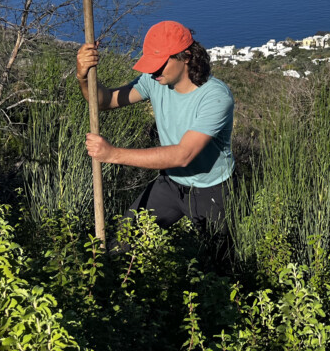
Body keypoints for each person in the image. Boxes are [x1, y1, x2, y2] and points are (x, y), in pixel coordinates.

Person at [77, 20, 235, 233]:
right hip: (171, 181)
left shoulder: (215, 97)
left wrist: (112, 154)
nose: (153, 71)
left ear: (186, 56)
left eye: (159, 63)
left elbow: (183, 155)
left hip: (212, 189)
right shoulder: (154, 80)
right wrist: (84, 76)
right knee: (124, 238)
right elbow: (105, 102)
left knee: (218, 259)